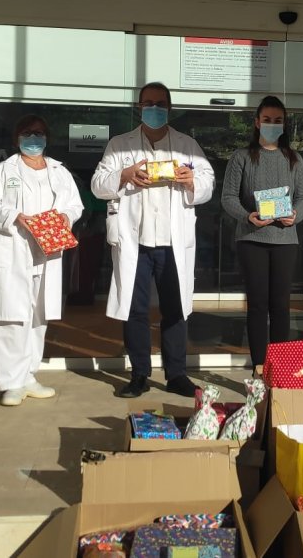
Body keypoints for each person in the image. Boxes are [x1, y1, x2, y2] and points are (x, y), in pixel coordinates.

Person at [91, 82, 215, 398]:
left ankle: (176, 375)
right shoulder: (120, 145)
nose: (154, 109)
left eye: (160, 104)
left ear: (169, 108)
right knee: (135, 310)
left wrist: (192, 181)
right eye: (148, 103)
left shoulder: (187, 145)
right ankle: (139, 375)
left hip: (173, 242)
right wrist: (124, 175)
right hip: (136, 242)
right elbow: (97, 186)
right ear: (139, 107)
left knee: (175, 309)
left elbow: (208, 183)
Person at [0, 115, 84, 406]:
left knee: (39, 315)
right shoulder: (1, 171)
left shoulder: (59, 171)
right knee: (10, 316)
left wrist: (65, 217)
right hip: (12, 246)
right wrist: (14, 217)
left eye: (39, 133)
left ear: (47, 138)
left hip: (47, 250)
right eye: (28, 133)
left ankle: (28, 375)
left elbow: (75, 204)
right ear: (17, 138)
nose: (34, 139)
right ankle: (10, 382)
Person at [220, 96, 303, 372]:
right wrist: (247, 216)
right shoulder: (241, 158)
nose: (272, 125)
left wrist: (296, 215)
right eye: (267, 120)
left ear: (285, 124)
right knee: (258, 305)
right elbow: (227, 197)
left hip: (285, 240)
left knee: (281, 306)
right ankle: (260, 367)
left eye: (278, 121)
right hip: (252, 239)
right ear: (257, 122)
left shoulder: (295, 159)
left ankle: (281, 367)